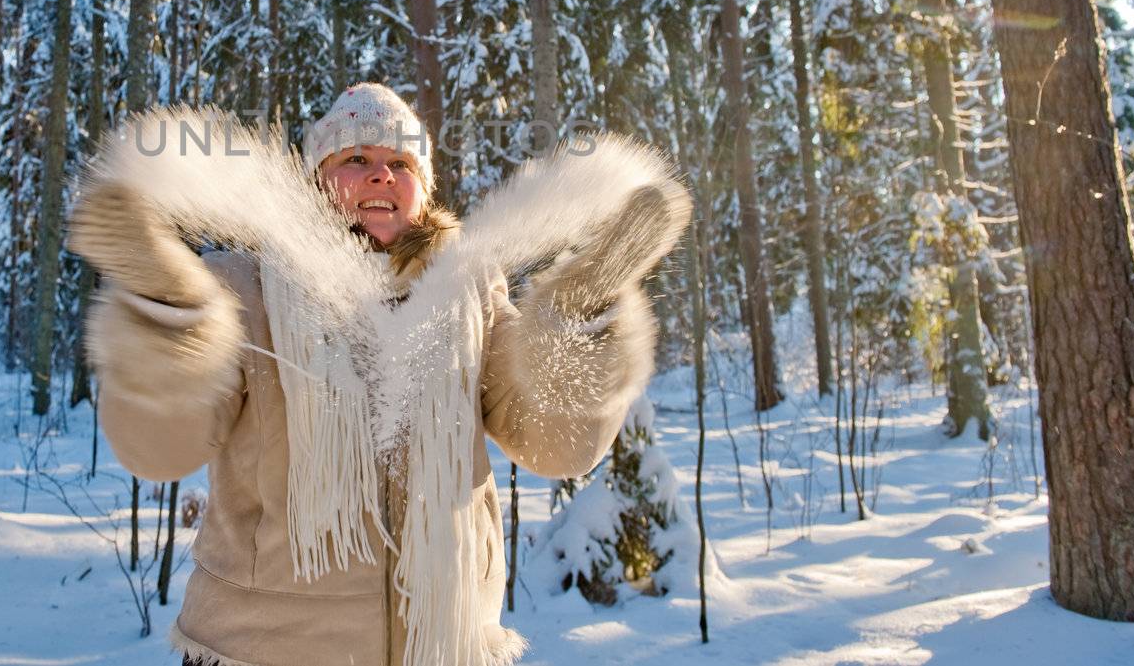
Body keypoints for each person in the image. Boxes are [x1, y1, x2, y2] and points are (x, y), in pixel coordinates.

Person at [68, 83, 690, 666]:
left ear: (424, 192)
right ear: (314, 180)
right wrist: (169, 322)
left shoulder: (471, 294)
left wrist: (576, 329)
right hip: (262, 648)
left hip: (446, 645)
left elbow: (556, 445)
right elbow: (158, 447)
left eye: (402, 163)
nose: (381, 174)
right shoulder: (245, 289)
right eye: (355, 158)